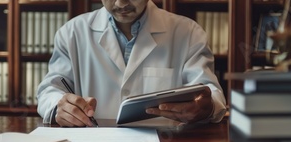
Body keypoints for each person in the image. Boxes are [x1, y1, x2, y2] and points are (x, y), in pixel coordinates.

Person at [37, 0, 227, 127]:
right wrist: (59, 106)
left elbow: (211, 92)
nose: (121, 3)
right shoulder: (72, 33)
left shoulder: (188, 32)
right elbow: (49, 91)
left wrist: (206, 106)